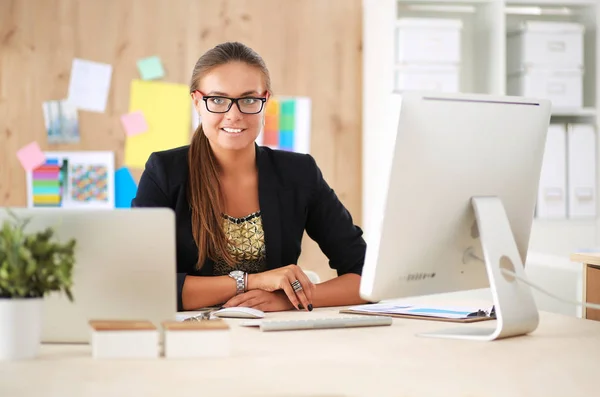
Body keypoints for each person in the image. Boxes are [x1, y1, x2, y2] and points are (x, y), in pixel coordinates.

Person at [132, 41, 367, 312]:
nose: (234, 115)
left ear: (264, 101)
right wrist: (253, 282)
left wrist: (286, 300)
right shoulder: (164, 172)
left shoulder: (299, 173)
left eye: (248, 100)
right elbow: (140, 284)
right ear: (197, 102)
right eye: (218, 100)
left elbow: (366, 277)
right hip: (195, 337)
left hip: (273, 336)